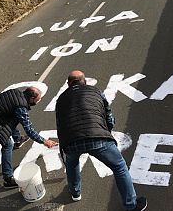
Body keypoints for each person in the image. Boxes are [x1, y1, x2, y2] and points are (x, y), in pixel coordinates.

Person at [55, 70, 147, 211]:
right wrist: (107, 131)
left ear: (68, 83)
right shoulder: (95, 91)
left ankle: (75, 192)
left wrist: (65, 144)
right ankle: (131, 205)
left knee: (72, 164)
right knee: (119, 167)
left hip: (71, 141)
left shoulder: (60, 99)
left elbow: (60, 124)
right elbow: (108, 115)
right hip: (97, 137)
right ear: (84, 81)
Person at [0, 86, 58, 189]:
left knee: (14, 117)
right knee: (7, 145)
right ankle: (8, 179)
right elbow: (29, 130)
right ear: (32, 98)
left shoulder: (17, 94)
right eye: (39, 99)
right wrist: (44, 141)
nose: (40, 100)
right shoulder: (21, 107)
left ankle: (18, 139)